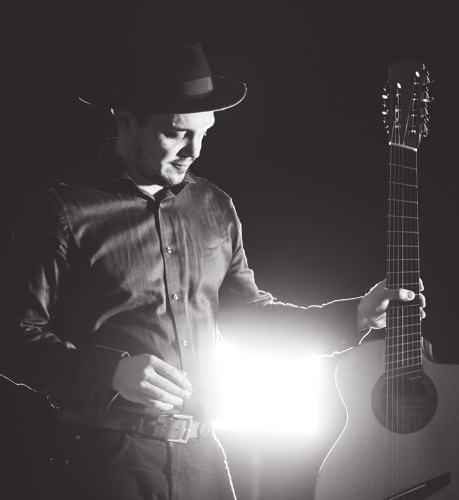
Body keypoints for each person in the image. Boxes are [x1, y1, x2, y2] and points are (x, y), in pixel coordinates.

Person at [0, 33, 425, 500]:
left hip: (203, 458)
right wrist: (110, 372)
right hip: (103, 463)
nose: (194, 150)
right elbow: (10, 334)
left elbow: (249, 319)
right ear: (125, 120)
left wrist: (356, 316)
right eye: (177, 132)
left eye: (204, 132)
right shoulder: (61, 210)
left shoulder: (215, 207)